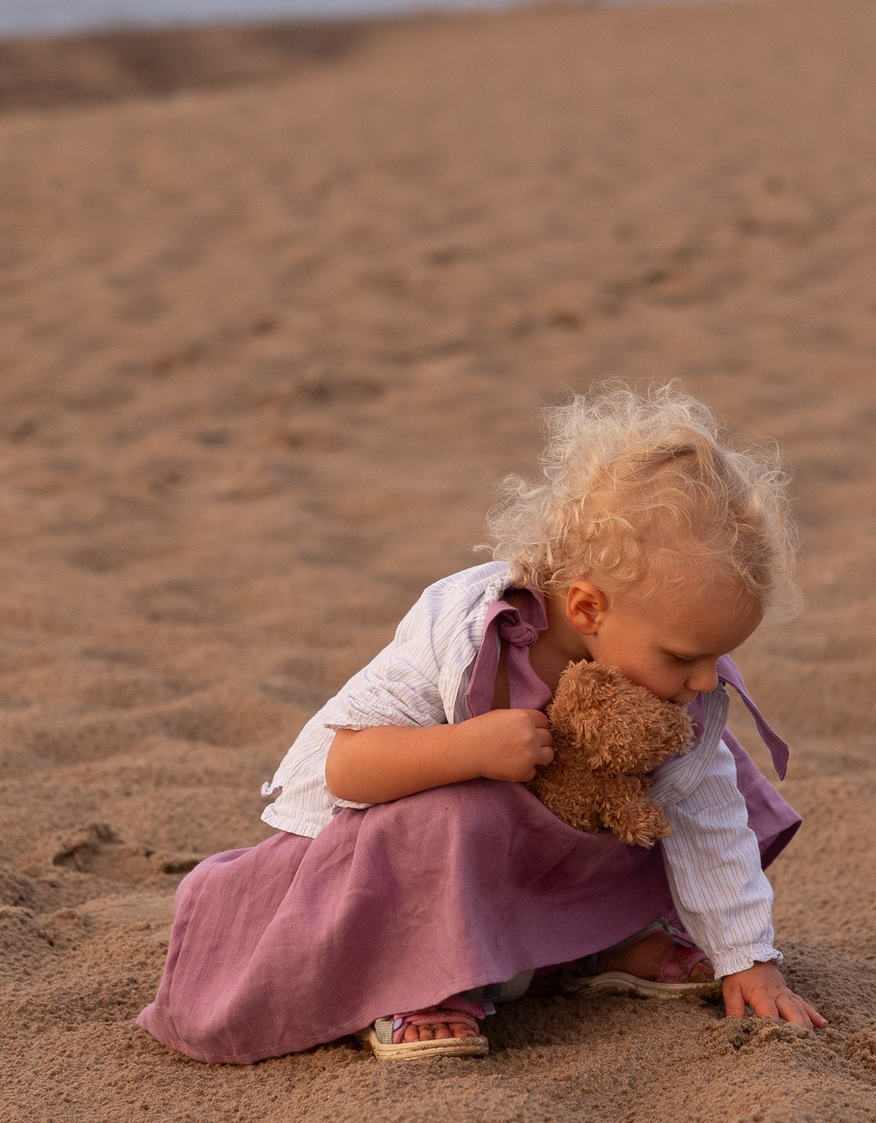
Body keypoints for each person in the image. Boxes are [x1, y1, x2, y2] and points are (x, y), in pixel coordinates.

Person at [137, 379, 825, 1064]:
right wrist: (467, 747)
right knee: (462, 811)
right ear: (587, 609)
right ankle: (415, 982)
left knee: (702, 769)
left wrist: (747, 957)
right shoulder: (469, 633)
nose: (705, 680)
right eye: (684, 656)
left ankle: (592, 942)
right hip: (400, 866)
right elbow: (345, 765)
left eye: (718, 654)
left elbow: (710, 821)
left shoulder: (674, 687)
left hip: (537, 864)